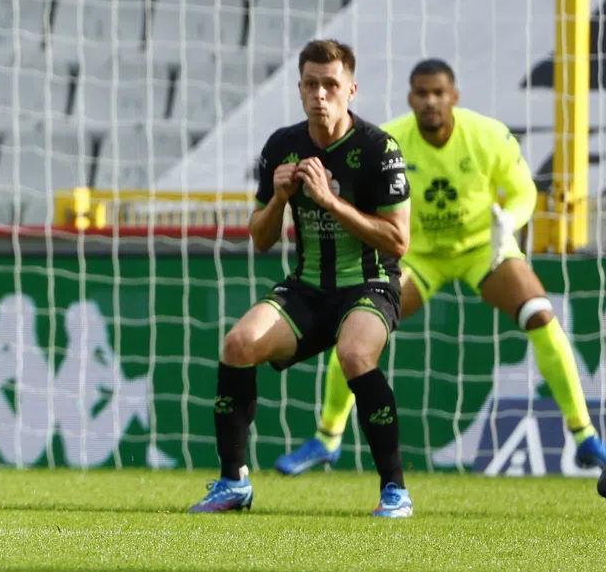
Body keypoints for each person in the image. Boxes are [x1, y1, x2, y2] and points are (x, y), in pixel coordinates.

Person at [276, 58, 606, 475]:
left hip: (481, 248)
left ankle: (585, 436)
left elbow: (524, 192)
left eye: (439, 93)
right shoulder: (388, 141)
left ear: (454, 97)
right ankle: (328, 438)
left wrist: (510, 222)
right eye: (422, 93)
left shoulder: (487, 136)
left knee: (540, 315)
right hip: (418, 255)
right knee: (355, 328)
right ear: (411, 98)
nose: (431, 101)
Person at [190, 39, 414, 518]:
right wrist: (277, 200)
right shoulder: (282, 147)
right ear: (299, 88)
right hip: (308, 287)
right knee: (238, 344)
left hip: (369, 284)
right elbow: (261, 238)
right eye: (311, 84)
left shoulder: (379, 149)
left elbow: (397, 242)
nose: (320, 95)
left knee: (355, 354)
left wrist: (331, 202)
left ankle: (394, 490)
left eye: (331, 85)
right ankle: (234, 483)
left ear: (351, 89)